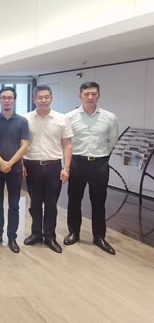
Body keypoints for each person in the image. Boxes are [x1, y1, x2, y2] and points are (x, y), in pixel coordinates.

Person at [64, 82, 119, 255]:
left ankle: (99, 236)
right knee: (74, 200)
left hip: (99, 163)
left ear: (98, 96)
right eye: (86, 94)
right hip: (77, 162)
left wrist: (100, 155)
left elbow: (112, 141)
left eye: (94, 94)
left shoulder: (110, 118)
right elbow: (66, 142)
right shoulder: (69, 117)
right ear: (80, 96)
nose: (90, 97)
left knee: (99, 201)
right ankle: (74, 232)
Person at [22, 85, 73, 253]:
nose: (43, 100)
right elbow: (21, 144)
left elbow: (67, 145)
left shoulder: (62, 119)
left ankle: (50, 236)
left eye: (46, 97)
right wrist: (21, 164)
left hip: (53, 167)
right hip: (32, 166)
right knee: (35, 203)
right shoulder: (25, 119)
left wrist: (66, 168)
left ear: (51, 98)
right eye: (40, 97)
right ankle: (36, 234)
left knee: (51, 204)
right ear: (34, 99)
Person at [0, 87, 30, 253]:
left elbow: (24, 145)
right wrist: (1, 162)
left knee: (14, 204)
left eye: (10, 97)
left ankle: (12, 237)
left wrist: (10, 163)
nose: (6, 100)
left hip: (15, 169)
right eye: (3, 97)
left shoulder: (22, 122)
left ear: (14, 100)